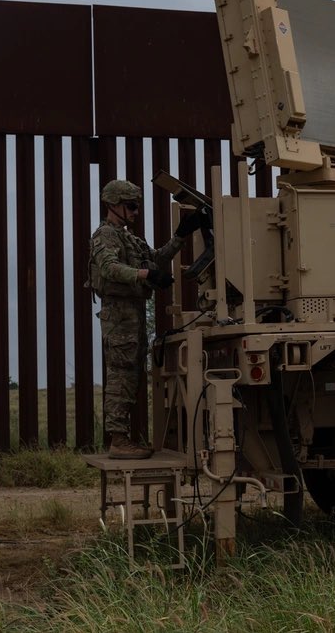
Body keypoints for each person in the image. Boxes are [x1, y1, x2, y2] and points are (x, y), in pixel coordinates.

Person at [88, 179, 207, 459]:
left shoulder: (129, 238)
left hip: (133, 315)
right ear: (113, 205)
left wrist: (180, 236)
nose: (136, 211)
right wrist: (145, 275)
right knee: (121, 376)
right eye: (131, 206)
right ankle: (118, 441)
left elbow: (155, 259)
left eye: (137, 206)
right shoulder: (105, 235)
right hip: (119, 316)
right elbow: (109, 268)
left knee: (131, 376)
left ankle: (123, 439)